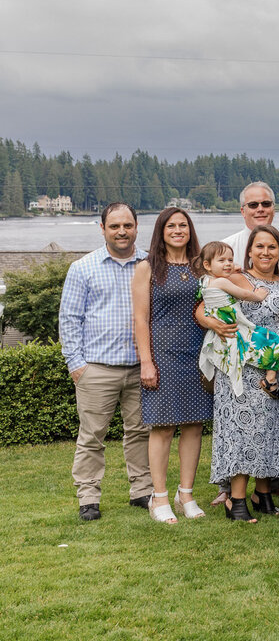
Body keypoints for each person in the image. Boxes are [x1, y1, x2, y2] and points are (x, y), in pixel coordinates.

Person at [58, 202, 151, 521]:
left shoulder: (151, 265)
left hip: (141, 368)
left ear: (136, 227)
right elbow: (69, 319)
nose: (122, 231)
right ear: (103, 229)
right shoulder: (83, 268)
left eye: (127, 225)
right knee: (91, 436)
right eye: (114, 226)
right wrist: (76, 365)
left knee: (140, 431)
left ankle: (142, 491)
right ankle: (88, 497)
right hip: (96, 369)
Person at [206, 226, 279, 518]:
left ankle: (263, 494)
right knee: (243, 431)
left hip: (274, 368)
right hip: (243, 367)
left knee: (269, 432)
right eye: (260, 247)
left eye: (272, 247)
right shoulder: (236, 277)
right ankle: (238, 500)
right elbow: (205, 303)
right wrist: (213, 324)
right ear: (249, 251)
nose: (266, 252)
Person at [131, 208, 212, 524]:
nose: (178, 230)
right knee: (163, 426)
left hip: (198, 353)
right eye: (171, 225)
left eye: (183, 225)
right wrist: (146, 362)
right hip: (162, 355)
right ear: (161, 231)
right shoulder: (147, 267)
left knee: (194, 425)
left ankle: (186, 493)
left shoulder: (200, 267)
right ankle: (159, 496)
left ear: (190, 230)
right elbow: (140, 318)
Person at [193, 241, 277, 398]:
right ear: (207, 264)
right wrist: (258, 296)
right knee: (271, 340)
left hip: (220, 323)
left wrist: (230, 268)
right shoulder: (222, 282)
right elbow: (243, 294)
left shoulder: (204, 281)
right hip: (233, 321)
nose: (228, 264)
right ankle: (270, 378)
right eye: (222, 260)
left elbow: (218, 270)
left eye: (230, 260)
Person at [222, 181, 279, 280]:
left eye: (266, 204)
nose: (260, 209)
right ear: (243, 211)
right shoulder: (224, 248)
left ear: (273, 209)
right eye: (253, 205)